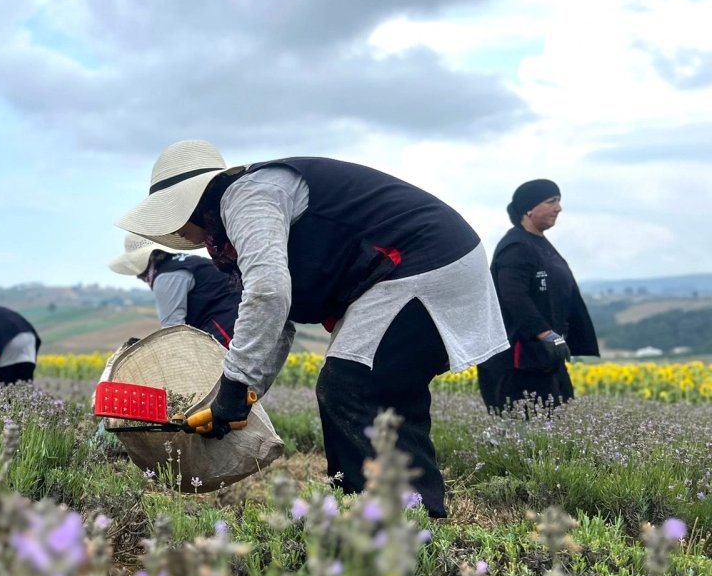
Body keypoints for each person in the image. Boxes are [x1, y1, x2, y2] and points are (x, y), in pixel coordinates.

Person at [116, 140, 509, 518]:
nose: (177, 232)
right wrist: (241, 396)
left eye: (172, 214)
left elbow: (268, 293)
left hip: (422, 261)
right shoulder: (238, 216)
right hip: (425, 262)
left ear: (193, 201)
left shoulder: (248, 197)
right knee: (382, 392)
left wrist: (235, 386)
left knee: (351, 386)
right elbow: (278, 324)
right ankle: (410, 516)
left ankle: (381, 518)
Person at [477, 179, 598, 413]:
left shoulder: (538, 243)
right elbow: (514, 296)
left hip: (544, 358)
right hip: (518, 363)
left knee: (557, 425)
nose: (558, 208)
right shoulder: (516, 248)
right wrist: (544, 333)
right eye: (551, 201)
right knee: (527, 432)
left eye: (559, 201)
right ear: (529, 209)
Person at [109, 232, 241, 346]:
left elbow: (173, 331)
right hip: (241, 317)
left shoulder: (166, 277)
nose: (138, 277)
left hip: (229, 328)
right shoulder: (183, 262)